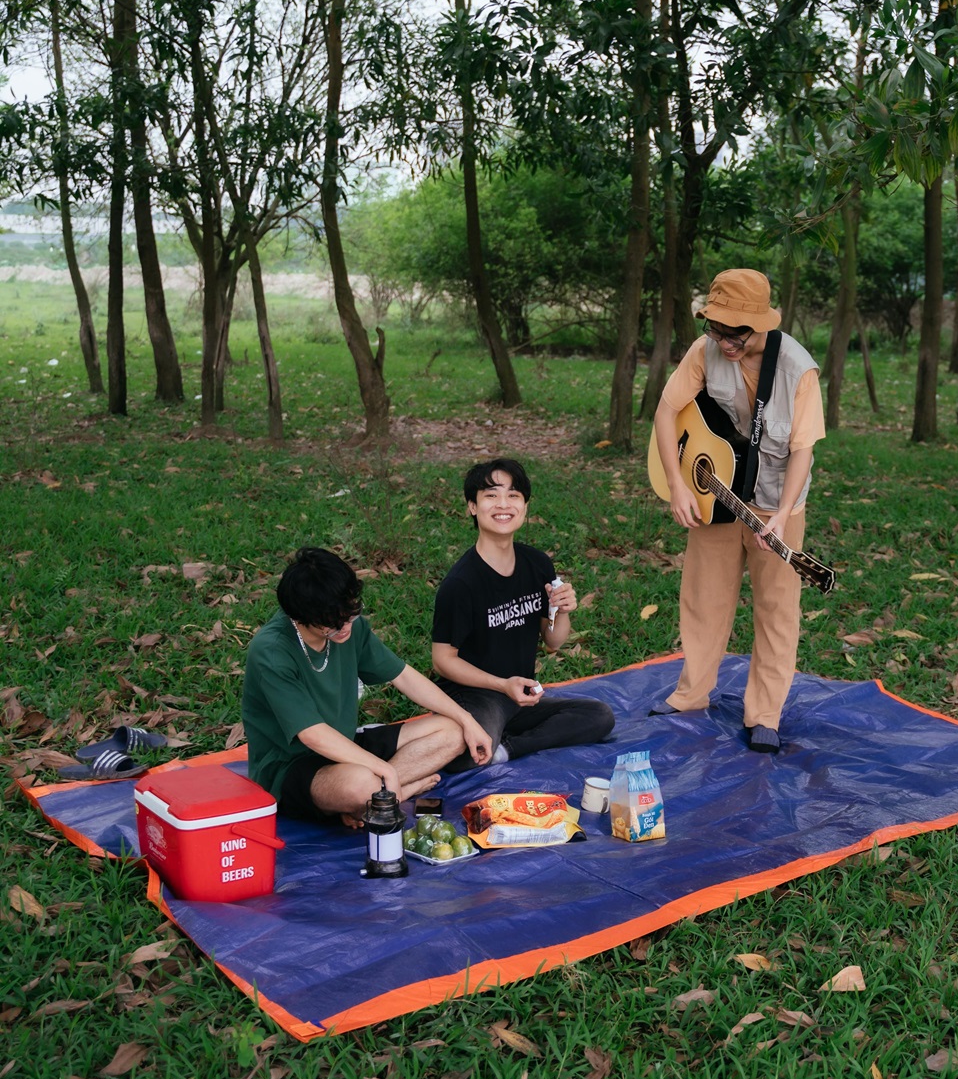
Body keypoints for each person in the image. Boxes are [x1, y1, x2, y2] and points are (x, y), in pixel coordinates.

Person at [651, 268, 826, 754]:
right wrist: (676, 486)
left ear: (763, 325)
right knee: (704, 595)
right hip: (717, 485)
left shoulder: (798, 369)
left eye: (736, 333)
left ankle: (765, 714)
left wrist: (782, 513)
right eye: (716, 328)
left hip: (777, 496)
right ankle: (691, 694)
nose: (725, 341)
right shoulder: (703, 349)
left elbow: (801, 451)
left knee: (775, 606)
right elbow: (667, 411)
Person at [243, 547, 492, 825]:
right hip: (291, 765)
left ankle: (377, 799)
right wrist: (385, 770)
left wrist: (466, 719)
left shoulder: (349, 625)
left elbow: (403, 676)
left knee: (453, 732)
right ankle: (386, 792)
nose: (346, 627)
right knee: (361, 785)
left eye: (350, 614)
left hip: (347, 745)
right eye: (333, 625)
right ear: (301, 617)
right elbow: (312, 735)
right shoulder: (273, 651)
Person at [431, 458, 615, 764]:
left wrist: (564, 609)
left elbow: (553, 641)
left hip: (520, 699)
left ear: (525, 507)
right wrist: (502, 685)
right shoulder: (461, 583)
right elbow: (442, 660)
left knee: (599, 715)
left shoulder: (537, 564)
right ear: (472, 507)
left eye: (514, 495)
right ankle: (490, 741)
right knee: (466, 754)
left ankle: (508, 749)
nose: (503, 504)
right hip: (473, 695)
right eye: (491, 495)